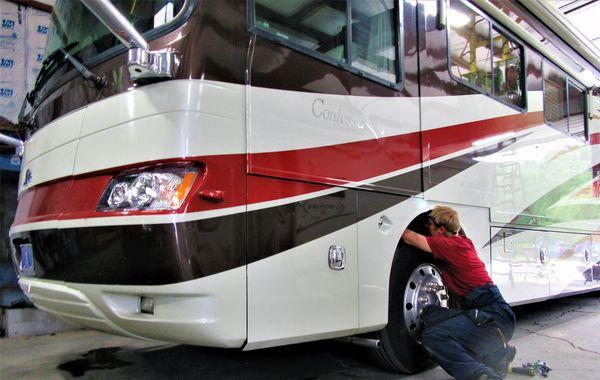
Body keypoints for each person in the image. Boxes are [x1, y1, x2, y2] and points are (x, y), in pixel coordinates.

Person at [401, 206, 516, 380]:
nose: (427, 227)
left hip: (493, 317)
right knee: (430, 315)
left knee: (433, 337)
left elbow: (409, 237)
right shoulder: (463, 241)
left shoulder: (449, 245)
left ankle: (481, 375)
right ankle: (497, 354)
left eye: (430, 225)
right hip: (487, 312)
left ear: (441, 230)